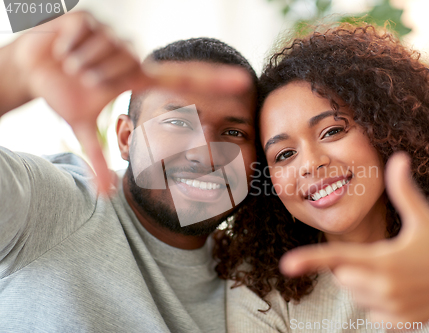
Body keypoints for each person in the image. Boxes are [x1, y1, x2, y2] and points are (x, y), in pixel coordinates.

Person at [214, 23, 429, 332]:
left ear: (385, 128)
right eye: (284, 154)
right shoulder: (263, 288)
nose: (311, 163)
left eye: (333, 131)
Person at [0, 11, 258, 333]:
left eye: (234, 134)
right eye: (178, 122)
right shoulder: (53, 207)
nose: (205, 156)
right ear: (125, 137)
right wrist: (12, 72)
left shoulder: (256, 279)